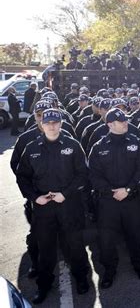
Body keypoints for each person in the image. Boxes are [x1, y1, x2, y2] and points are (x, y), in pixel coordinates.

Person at [15, 108, 89, 304]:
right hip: (44, 207)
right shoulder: (32, 148)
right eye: (48, 123)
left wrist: (65, 194)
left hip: (68, 205)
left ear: (61, 123)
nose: (52, 126)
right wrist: (34, 197)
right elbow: (22, 177)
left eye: (55, 122)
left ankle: (81, 278)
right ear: (42, 124)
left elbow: (83, 174)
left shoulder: (72, 146)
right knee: (46, 249)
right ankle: (44, 284)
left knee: (75, 245)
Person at [88, 108, 140, 288]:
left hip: (132, 199)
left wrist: (128, 189)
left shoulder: (136, 142)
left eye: (125, 120)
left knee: (135, 234)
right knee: (106, 239)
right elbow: (93, 175)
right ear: (110, 124)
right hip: (108, 201)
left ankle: (139, 264)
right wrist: (112, 191)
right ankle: (109, 270)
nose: (126, 123)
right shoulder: (99, 147)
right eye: (121, 121)